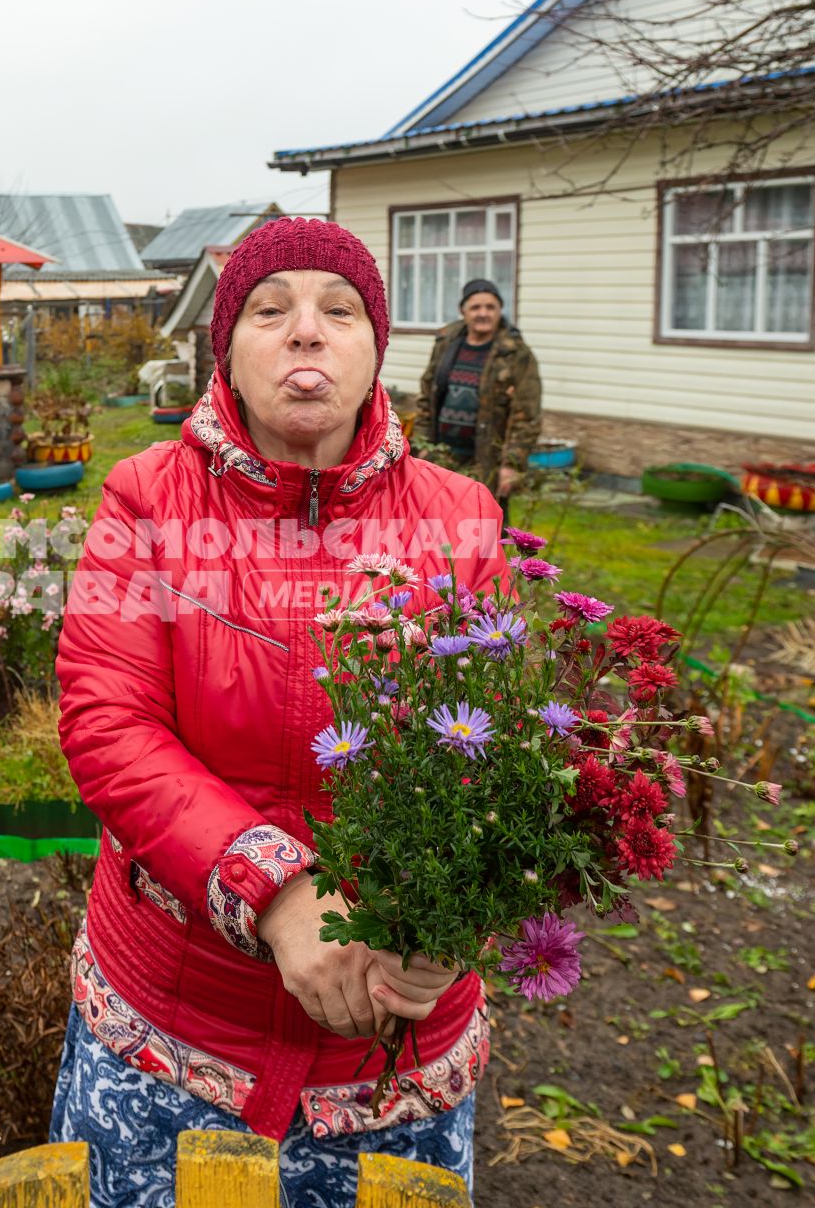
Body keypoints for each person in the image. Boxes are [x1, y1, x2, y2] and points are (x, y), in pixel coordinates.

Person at [52, 218, 509, 1207]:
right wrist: (282, 894)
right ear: (228, 350)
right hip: (176, 1035)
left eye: (338, 311)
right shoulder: (144, 501)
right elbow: (108, 720)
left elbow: (494, 754)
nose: (307, 331)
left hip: (389, 1046)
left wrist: (432, 923)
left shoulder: (463, 519)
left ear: (375, 349)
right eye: (272, 310)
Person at [414, 279, 542, 514]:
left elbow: (527, 415)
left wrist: (511, 465)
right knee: (434, 523)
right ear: (463, 311)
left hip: (485, 461)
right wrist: (422, 448)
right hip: (441, 457)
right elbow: (427, 397)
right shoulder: (446, 344)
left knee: (481, 526)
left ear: (499, 310)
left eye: (490, 307)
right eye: (475, 307)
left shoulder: (516, 354)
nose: (483, 313)